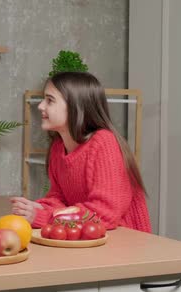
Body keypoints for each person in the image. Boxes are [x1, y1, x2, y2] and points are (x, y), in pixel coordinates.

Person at [11, 72, 151, 233]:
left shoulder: (104, 143)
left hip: (123, 243)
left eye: (50, 100)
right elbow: (59, 198)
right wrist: (40, 207)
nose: (41, 106)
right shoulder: (58, 147)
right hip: (88, 238)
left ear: (75, 106)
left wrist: (44, 217)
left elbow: (105, 213)